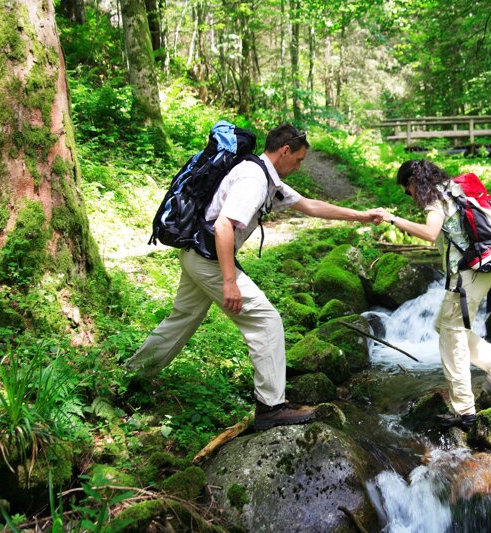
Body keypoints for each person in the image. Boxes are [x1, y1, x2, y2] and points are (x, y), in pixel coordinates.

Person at [126, 123, 384, 430]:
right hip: (208, 258)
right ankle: (271, 407)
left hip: (197, 254)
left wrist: (362, 215)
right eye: (299, 160)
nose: (299, 167)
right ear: (285, 151)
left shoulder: (265, 176)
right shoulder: (254, 179)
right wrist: (229, 281)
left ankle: (132, 375)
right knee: (266, 321)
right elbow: (223, 226)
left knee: (181, 318)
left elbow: (311, 206)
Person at [379, 159, 491, 431]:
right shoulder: (455, 189)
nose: (412, 196)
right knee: (443, 326)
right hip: (481, 272)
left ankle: (465, 410)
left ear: (413, 182)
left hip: (466, 277)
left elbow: (430, 233)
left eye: (408, 190)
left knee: (451, 342)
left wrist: (393, 219)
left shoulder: (436, 200)